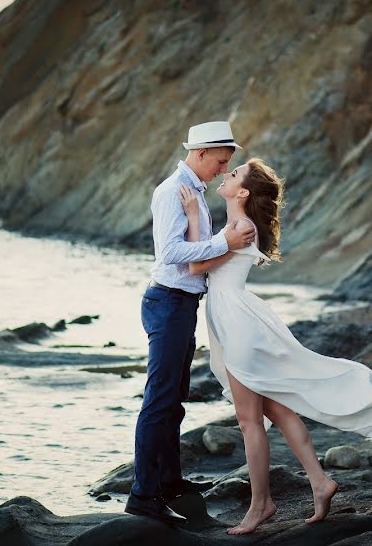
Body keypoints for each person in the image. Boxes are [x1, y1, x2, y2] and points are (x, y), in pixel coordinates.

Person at [179, 157, 372, 535]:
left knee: (250, 422)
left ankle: (260, 505)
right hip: (236, 320)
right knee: (278, 411)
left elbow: (195, 266)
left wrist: (192, 217)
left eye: (233, 174)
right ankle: (319, 481)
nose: (226, 175)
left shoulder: (242, 226)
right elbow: (203, 260)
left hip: (238, 325)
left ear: (243, 191)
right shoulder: (236, 224)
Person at [125, 121, 257, 525]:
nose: (222, 169)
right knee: (159, 402)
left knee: (174, 400)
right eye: (220, 161)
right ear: (200, 153)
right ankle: (142, 497)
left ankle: (170, 482)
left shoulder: (194, 191)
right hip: (168, 303)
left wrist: (223, 246)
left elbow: (194, 253)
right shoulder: (171, 192)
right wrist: (226, 243)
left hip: (181, 305)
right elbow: (170, 253)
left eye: (226, 164)